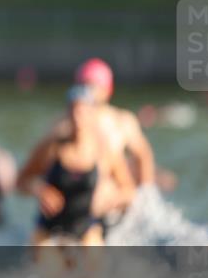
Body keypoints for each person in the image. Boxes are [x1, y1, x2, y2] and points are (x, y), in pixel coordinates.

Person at [18, 85, 135, 247]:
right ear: (67, 113)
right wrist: (39, 189)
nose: (77, 117)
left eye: (82, 111)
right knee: (47, 260)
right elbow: (21, 181)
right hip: (50, 228)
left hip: (87, 228)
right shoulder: (52, 147)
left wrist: (111, 199)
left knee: (93, 255)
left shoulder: (105, 151)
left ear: (92, 114)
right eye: (73, 111)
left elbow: (129, 191)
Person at [72, 58, 174, 225]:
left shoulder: (122, 121)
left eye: (92, 86)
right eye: (82, 85)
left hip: (115, 200)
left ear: (107, 89)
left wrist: (146, 194)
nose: (87, 91)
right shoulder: (67, 122)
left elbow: (144, 156)